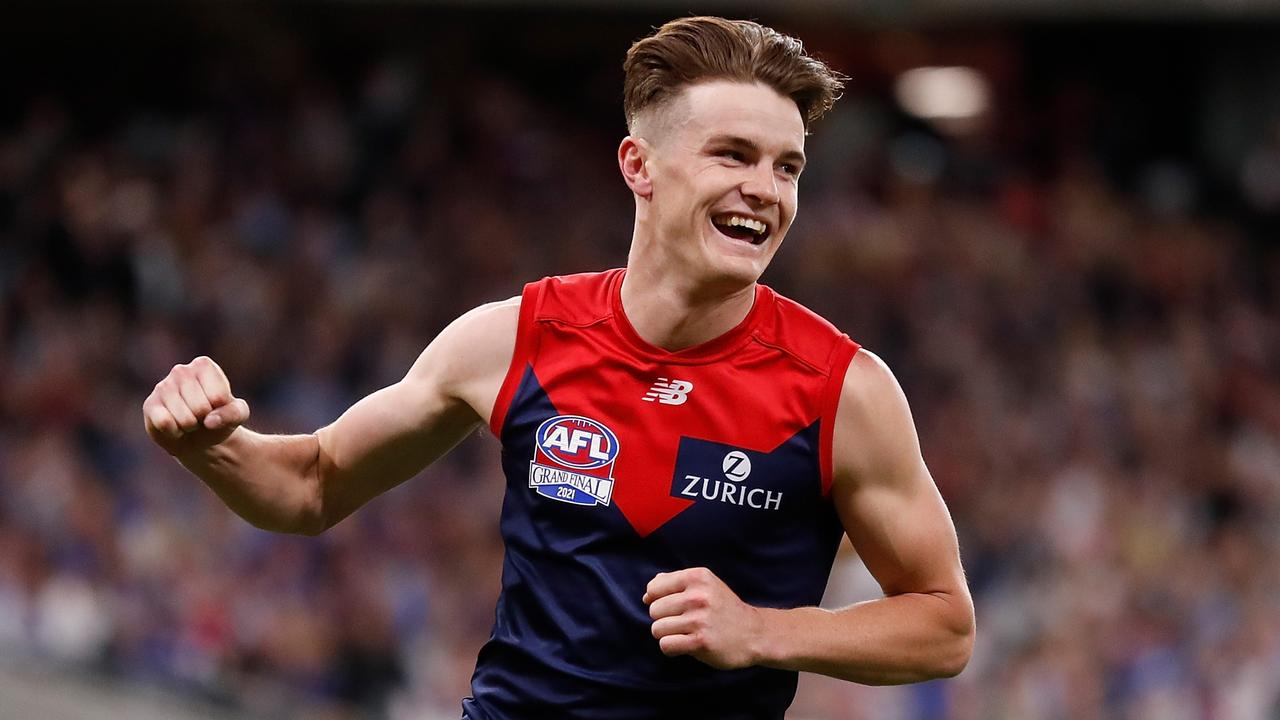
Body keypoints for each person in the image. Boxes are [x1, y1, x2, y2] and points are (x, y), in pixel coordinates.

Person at [142, 16, 975, 719]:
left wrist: (765, 631)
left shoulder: (841, 388)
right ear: (638, 166)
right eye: (733, 155)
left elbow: (944, 625)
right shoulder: (514, 338)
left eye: (787, 166)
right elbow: (313, 484)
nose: (766, 189)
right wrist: (210, 445)